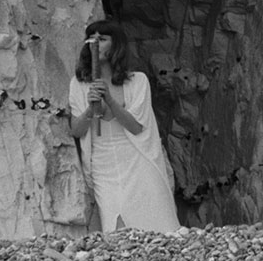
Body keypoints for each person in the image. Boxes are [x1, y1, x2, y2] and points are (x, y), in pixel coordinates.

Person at [68, 20, 180, 233]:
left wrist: (109, 100)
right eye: (92, 39)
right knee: (116, 224)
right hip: (103, 162)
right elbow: (76, 130)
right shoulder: (79, 84)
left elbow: (137, 127)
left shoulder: (138, 81)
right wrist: (91, 110)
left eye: (103, 39)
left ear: (115, 45)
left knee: (158, 221)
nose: (96, 44)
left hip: (138, 158)